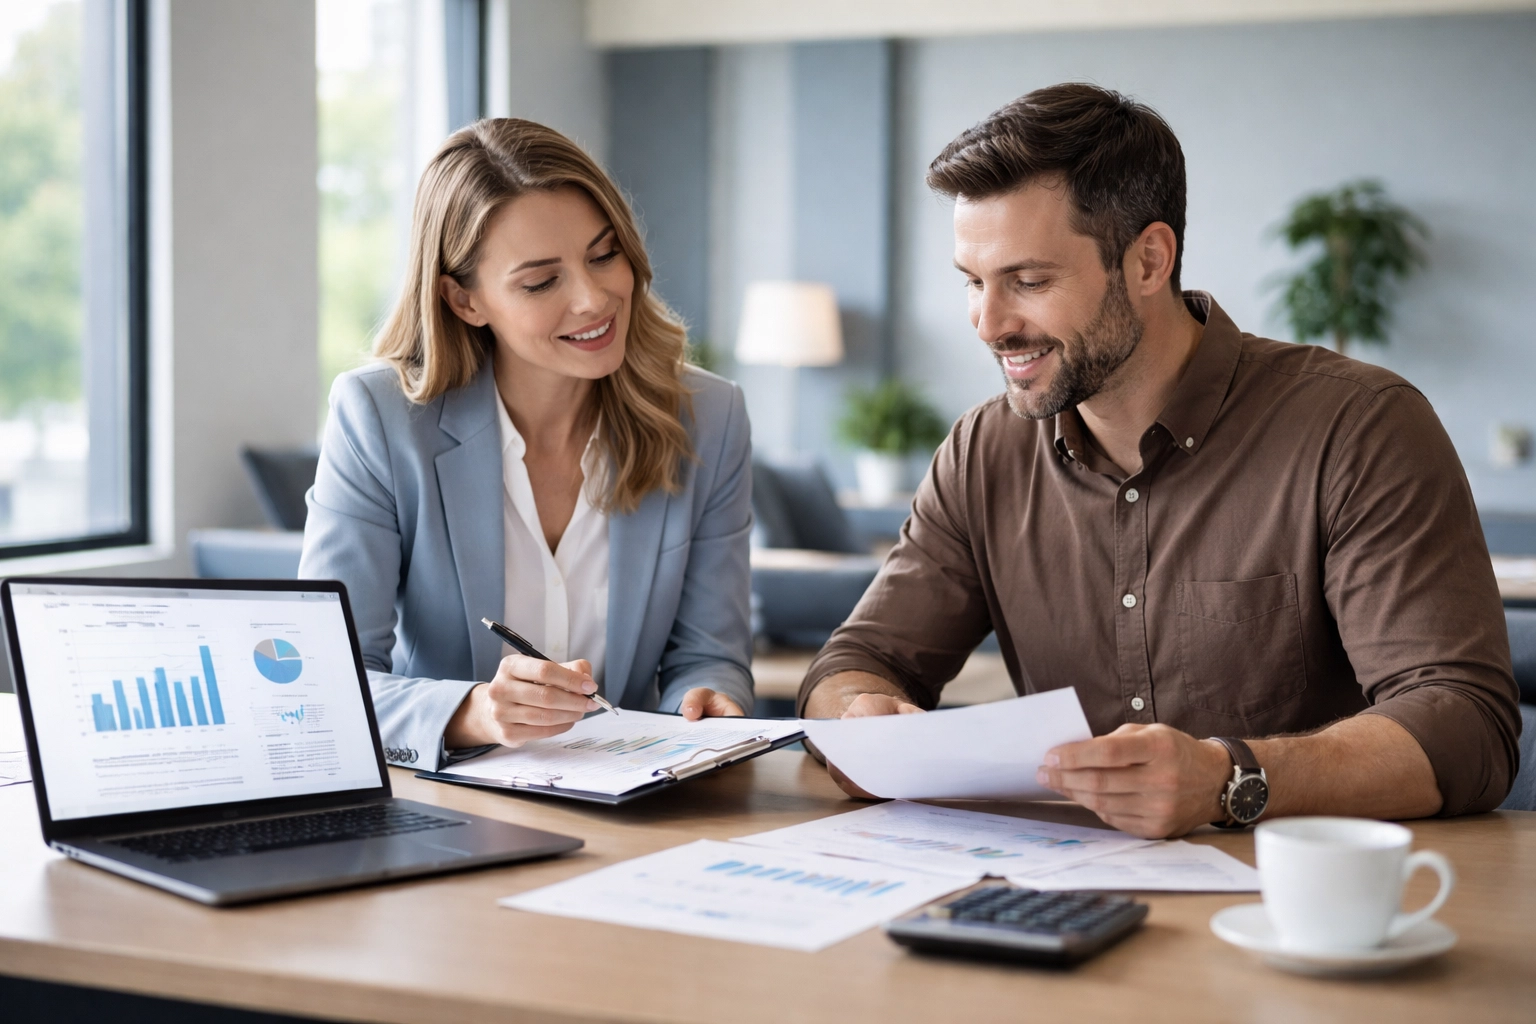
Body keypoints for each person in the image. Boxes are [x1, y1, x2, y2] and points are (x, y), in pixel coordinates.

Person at [799, 84, 1520, 838]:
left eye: (1030, 281)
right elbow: (856, 660)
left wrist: (1229, 778)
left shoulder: (1358, 427)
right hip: (1062, 897)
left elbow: (1467, 726)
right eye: (973, 282)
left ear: (1148, 260)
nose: (988, 323)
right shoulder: (984, 452)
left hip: (1301, 903)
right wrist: (858, 713)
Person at [301, 119, 754, 771]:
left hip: (633, 803)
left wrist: (708, 701)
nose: (594, 299)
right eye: (542, 282)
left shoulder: (709, 417)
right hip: (449, 805)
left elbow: (709, 655)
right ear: (463, 300)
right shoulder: (380, 419)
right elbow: (325, 685)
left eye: (604, 255)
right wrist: (475, 712)